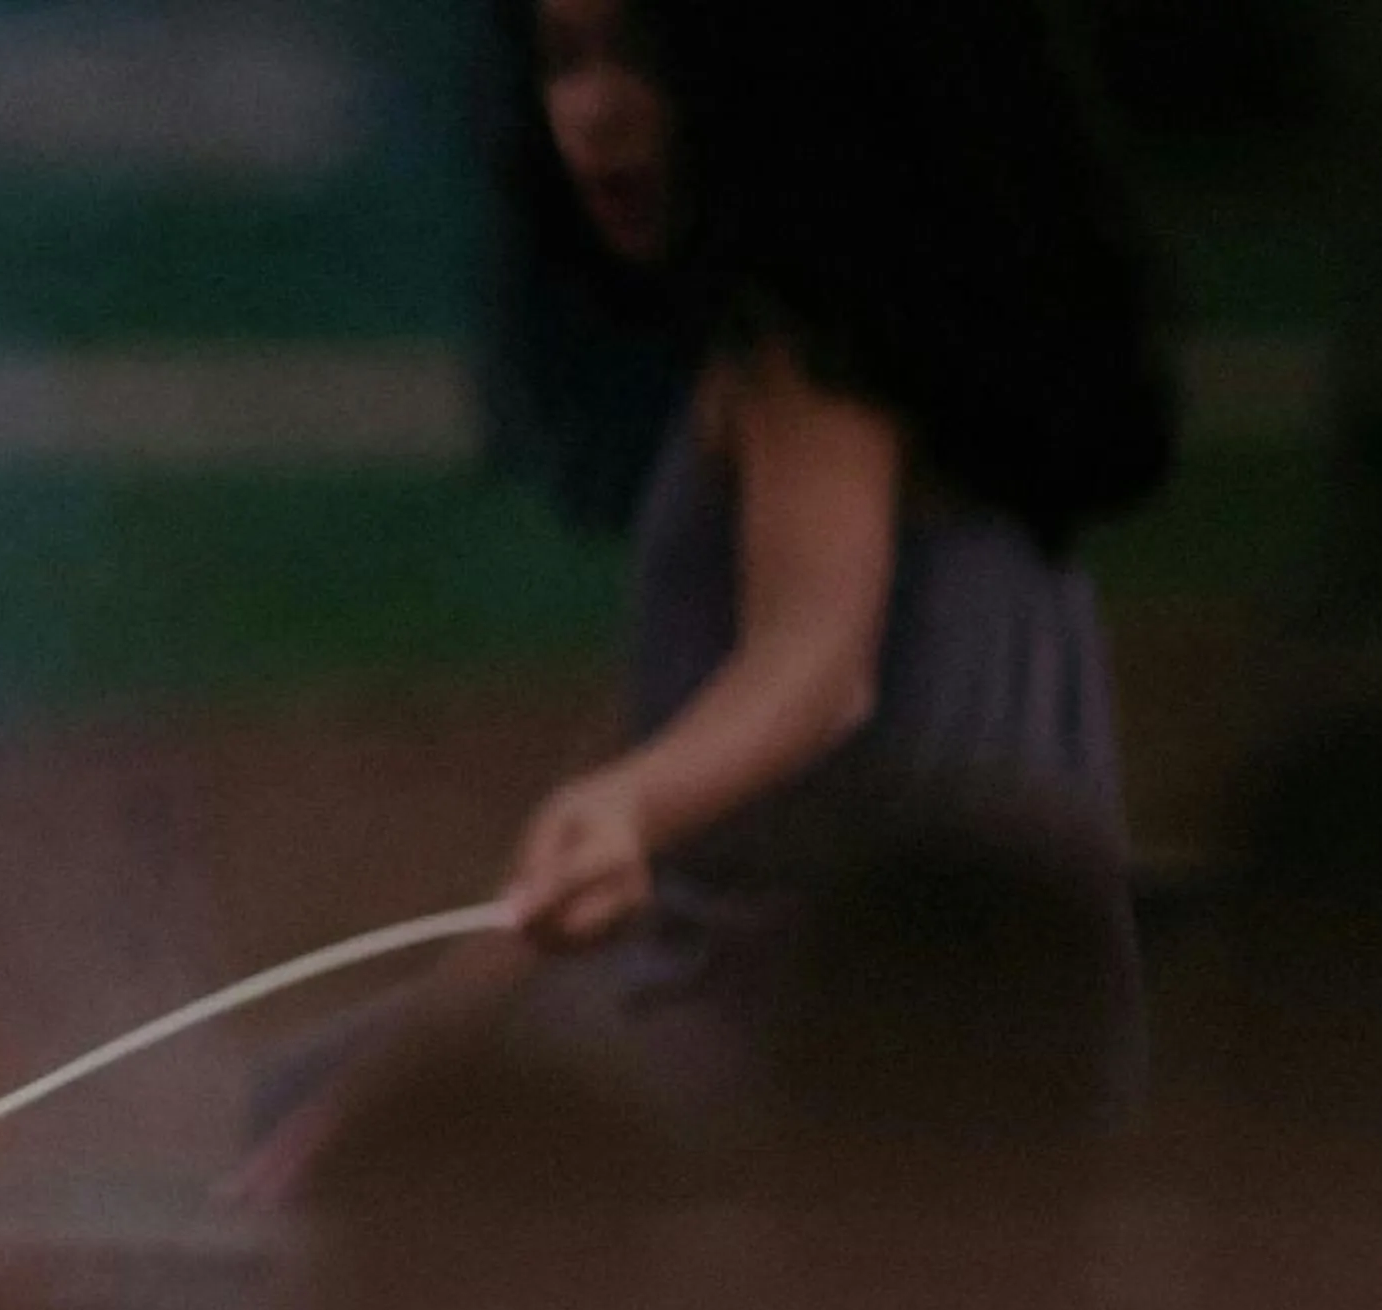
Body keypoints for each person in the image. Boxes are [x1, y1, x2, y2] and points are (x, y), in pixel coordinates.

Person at [247, 0, 1177, 1190]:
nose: (592, 114)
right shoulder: (870, 318)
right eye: (563, 61)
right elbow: (660, 725)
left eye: (648, 55)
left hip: (850, 1019)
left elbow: (813, 669)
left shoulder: (808, 339)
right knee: (331, 1093)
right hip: (956, 990)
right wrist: (436, 1023)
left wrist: (627, 808)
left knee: (390, 1154)